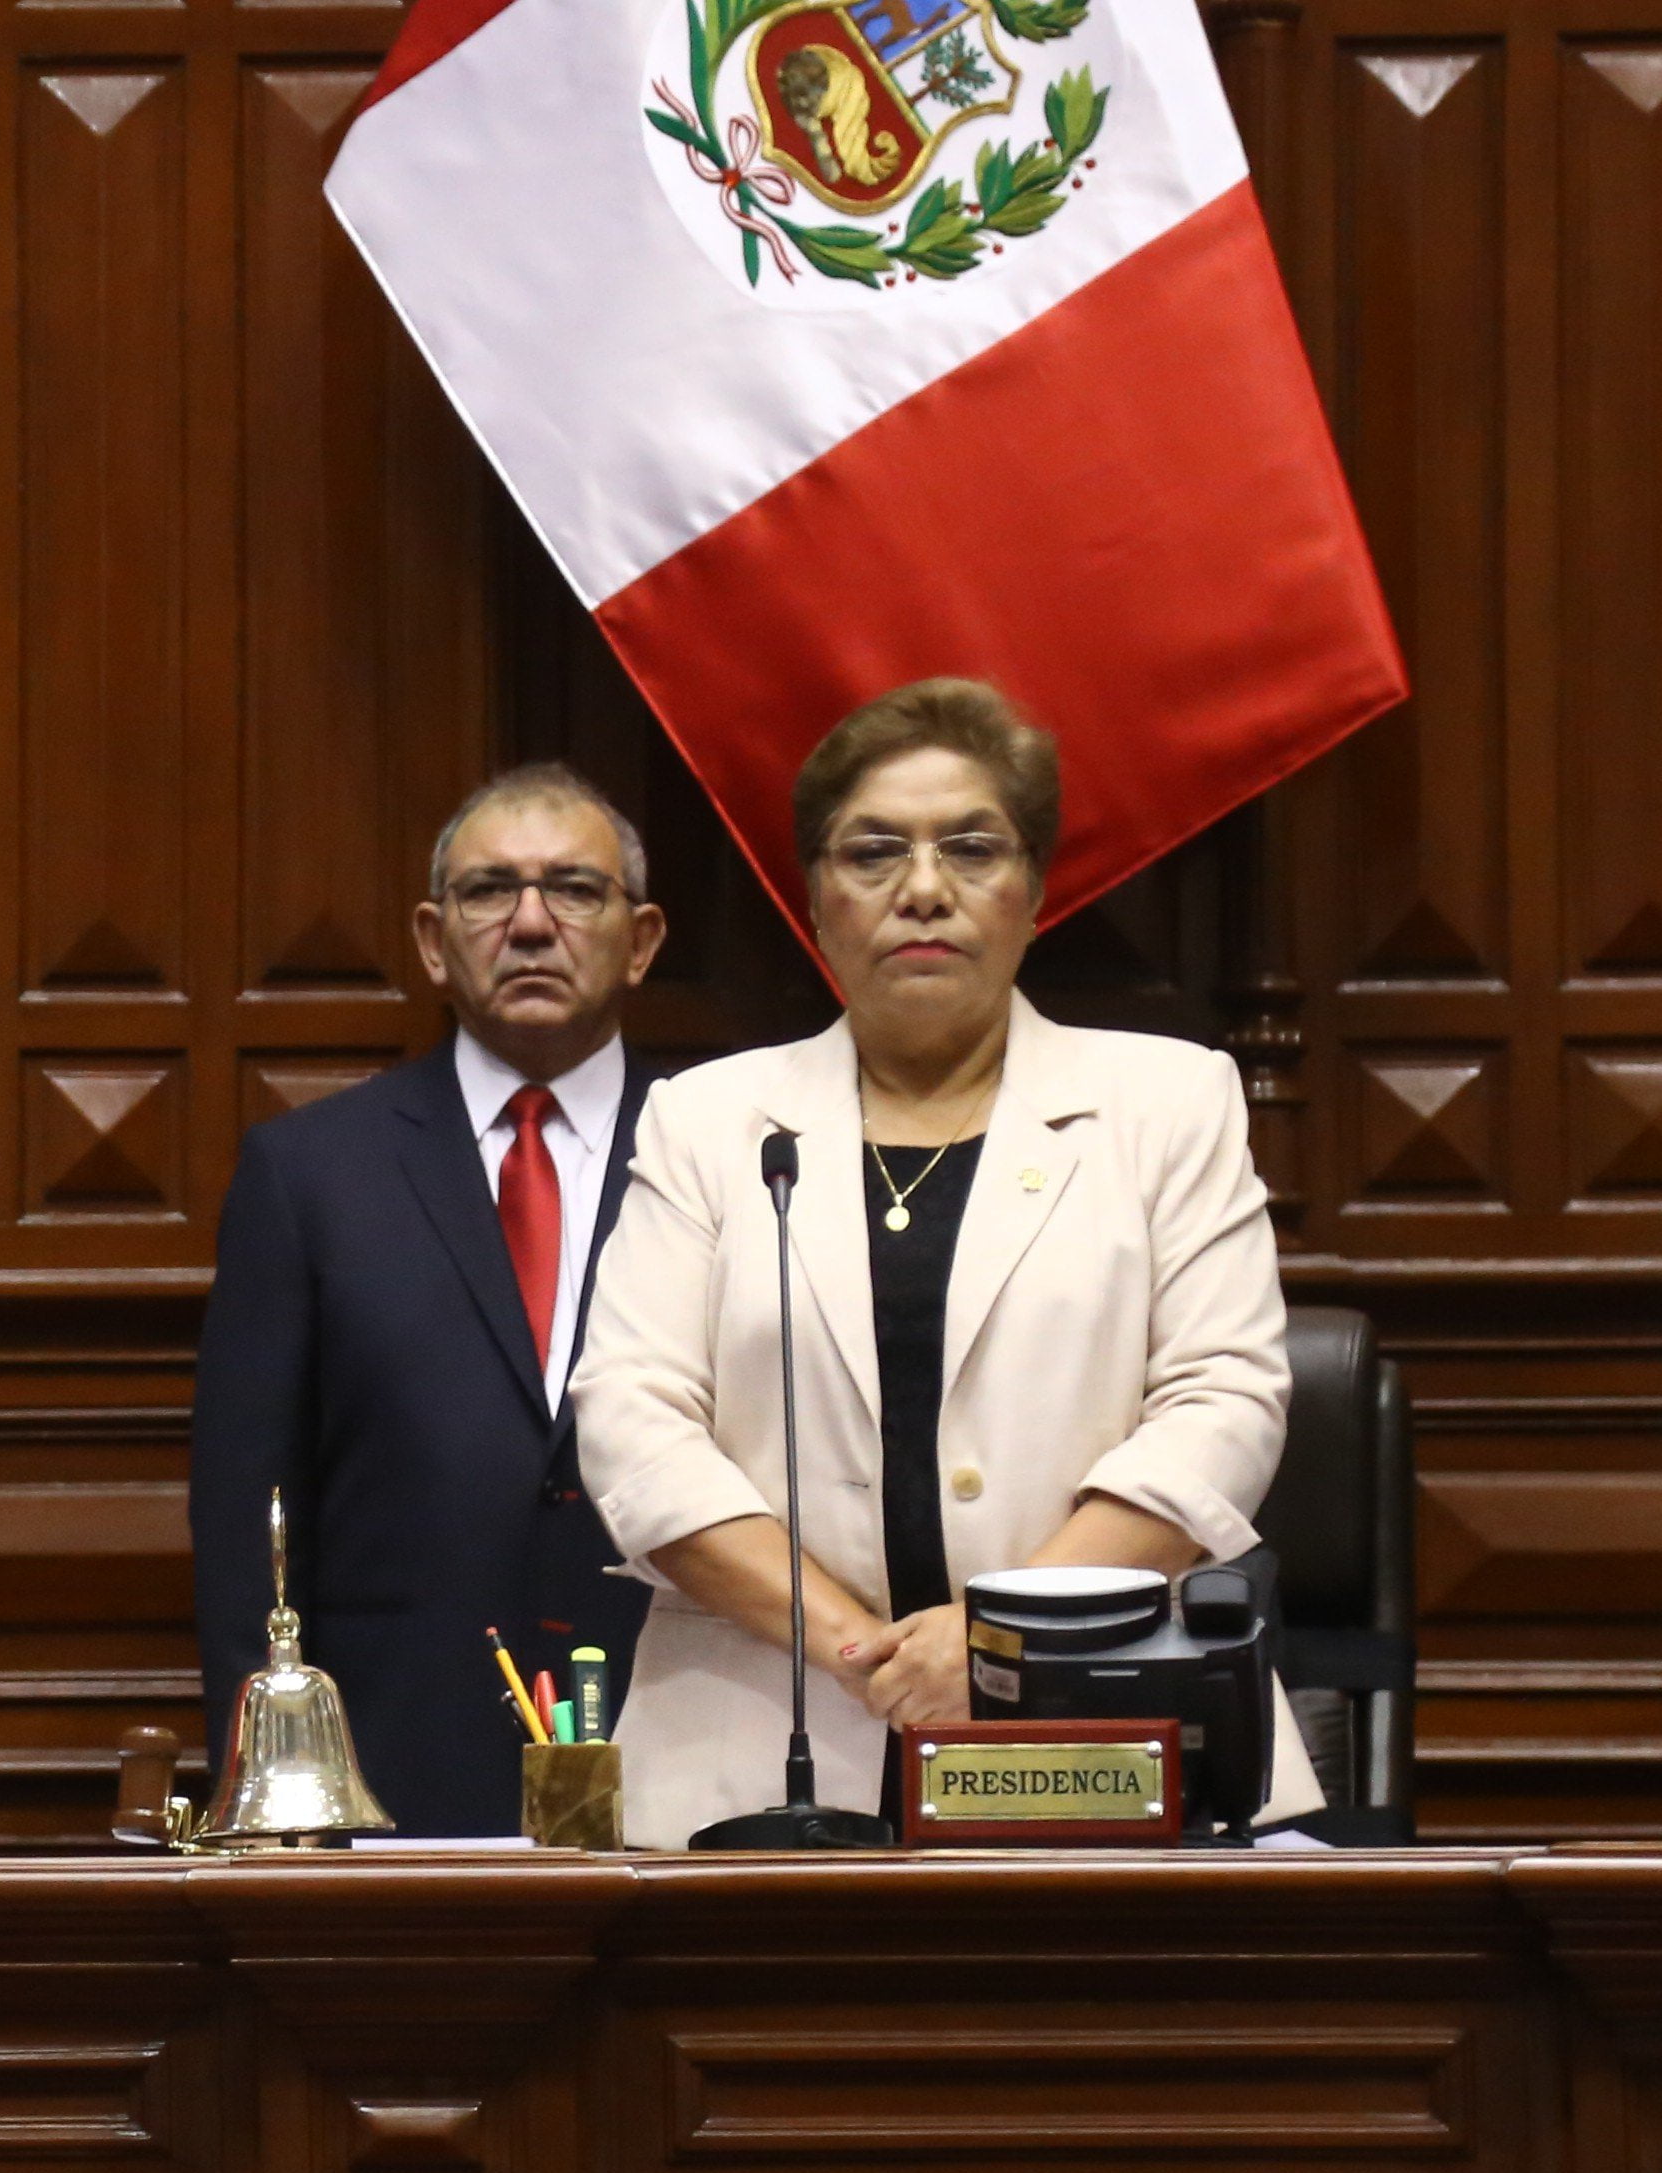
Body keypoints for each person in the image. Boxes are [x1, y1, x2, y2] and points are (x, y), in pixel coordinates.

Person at [574, 681, 1314, 1846]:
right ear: (815, 898)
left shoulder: (1166, 1102)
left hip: (1103, 1741)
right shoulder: (707, 1122)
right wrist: (869, 1655)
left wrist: (1002, 1646)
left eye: (972, 848)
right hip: (755, 1755)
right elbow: (632, 1427)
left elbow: (1222, 1408)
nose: (924, 888)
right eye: (874, 853)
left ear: (1034, 893)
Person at [191, 766, 668, 1831]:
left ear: (640, 941)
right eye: (491, 890)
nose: (532, 924)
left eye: (575, 890)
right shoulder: (309, 1173)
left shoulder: (732, 1150)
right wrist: (274, 1796)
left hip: (681, 1735)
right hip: (396, 1765)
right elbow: (247, 1525)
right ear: (431, 939)